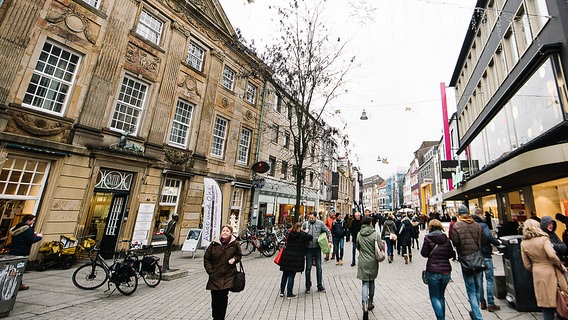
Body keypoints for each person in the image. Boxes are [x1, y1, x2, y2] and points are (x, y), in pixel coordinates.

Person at [521, 219, 568, 320]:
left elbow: (527, 264)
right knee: (559, 298)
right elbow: (552, 255)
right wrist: (560, 266)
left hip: (537, 273)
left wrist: (536, 268)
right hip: (551, 271)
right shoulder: (544, 239)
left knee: (545, 304)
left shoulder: (524, 243)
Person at [450, 204, 485, 320]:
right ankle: (476, 310)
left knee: (471, 289)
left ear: (459, 215)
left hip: (466, 260)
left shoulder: (457, 226)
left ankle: (477, 315)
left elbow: (455, 242)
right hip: (478, 258)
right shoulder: (477, 225)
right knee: (478, 287)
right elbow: (482, 240)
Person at [204, 225, 242, 320]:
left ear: (230, 233)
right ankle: (215, 316)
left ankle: (220, 317)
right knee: (215, 297)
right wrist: (210, 271)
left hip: (228, 275)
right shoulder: (214, 244)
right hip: (215, 275)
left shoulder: (235, 244)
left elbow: (239, 255)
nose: (225, 232)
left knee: (223, 297)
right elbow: (206, 258)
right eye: (223, 230)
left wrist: (234, 259)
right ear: (221, 233)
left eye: (227, 231)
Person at [421, 219, 455, 320]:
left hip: (433, 271)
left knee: (434, 297)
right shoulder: (446, 239)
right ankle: (442, 317)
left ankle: (441, 318)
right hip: (445, 272)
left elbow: (424, 254)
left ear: (430, 227)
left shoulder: (428, 238)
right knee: (441, 296)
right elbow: (451, 254)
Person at [472, 208, 501, 312]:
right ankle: (491, 303)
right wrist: (498, 243)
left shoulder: (471, 226)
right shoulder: (483, 225)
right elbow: (489, 237)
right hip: (485, 254)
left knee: (479, 280)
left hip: (476, 256)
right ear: (480, 214)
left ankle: (482, 302)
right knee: (489, 279)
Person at [279, 222, 312, 299]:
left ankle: (282, 292)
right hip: (295, 258)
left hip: (286, 257)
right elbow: (310, 237)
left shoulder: (290, 234)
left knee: (285, 274)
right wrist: (306, 232)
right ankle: (289, 294)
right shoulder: (302, 235)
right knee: (291, 275)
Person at [356, 216, 381, 320]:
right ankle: (370, 302)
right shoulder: (375, 234)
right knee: (372, 281)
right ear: (370, 223)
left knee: (365, 283)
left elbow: (358, 246)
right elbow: (379, 246)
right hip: (373, 261)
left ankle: (364, 305)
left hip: (362, 261)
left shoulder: (359, 234)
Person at [9, 214, 42, 291]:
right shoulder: (27, 229)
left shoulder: (17, 227)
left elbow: (22, 237)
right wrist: (39, 237)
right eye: (33, 220)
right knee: (19, 268)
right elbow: (31, 240)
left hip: (14, 249)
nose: (33, 222)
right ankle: (18, 285)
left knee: (13, 268)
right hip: (22, 251)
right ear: (28, 220)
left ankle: (13, 283)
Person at [302, 211, 332, 294]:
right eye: (310, 218)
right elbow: (301, 234)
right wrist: (305, 233)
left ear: (316, 217)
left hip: (317, 248)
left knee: (319, 267)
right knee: (308, 268)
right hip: (308, 249)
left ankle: (320, 285)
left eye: (312, 218)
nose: (311, 219)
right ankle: (308, 286)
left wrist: (330, 241)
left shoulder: (320, 223)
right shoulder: (305, 224)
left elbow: (328, 231)